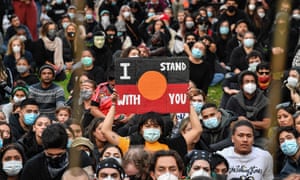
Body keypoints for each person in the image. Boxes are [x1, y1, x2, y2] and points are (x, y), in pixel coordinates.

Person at [101, 91, 202, 158]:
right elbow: (105, 131)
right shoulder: (130, 144)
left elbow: (197, 130)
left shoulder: (171, 146)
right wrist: (114, 104)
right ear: (140, 129)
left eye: (156, 126)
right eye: (148, 126)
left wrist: (189, 105)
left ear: (162, 130)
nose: (152, 129)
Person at [20, 123, 92, 180]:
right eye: (50, 155)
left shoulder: (81, 158)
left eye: (59, 154)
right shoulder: (32, 167)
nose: (54, 157)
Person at [225, 70, 270, 147]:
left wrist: (246, 121)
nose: (250, 84)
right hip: (236, 137)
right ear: (242, 85)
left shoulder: (265, 101)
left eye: (252, 82)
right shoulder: (234, 100)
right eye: (247, 82)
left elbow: (266, 124)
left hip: (259, 138)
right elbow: (228, 123)